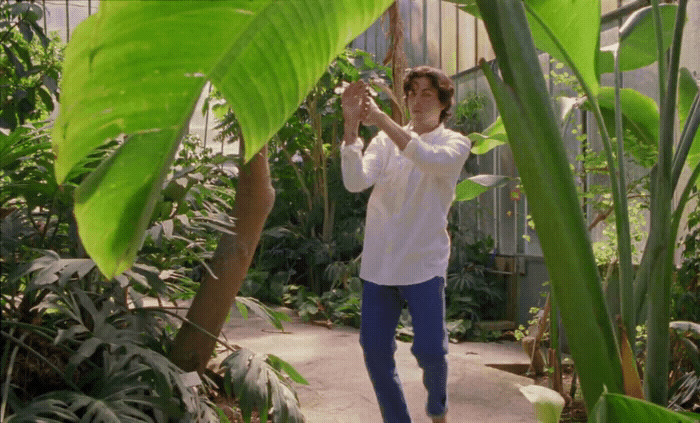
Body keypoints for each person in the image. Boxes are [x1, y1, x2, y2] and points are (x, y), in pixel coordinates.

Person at [340, 66, 471, 423]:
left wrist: (380, 118)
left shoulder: (455, 143)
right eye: (412, 93)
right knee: (375, 352)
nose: (416, 101)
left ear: (444, 103)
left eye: (427, 94)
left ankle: (437, 408)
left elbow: (426, 158)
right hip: (379, 266)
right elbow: (355, 181)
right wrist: (352, 127)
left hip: (424, 265)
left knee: (430, 350)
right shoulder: (384, 143)